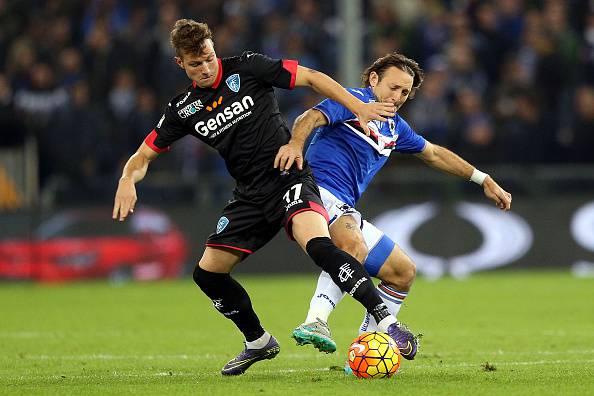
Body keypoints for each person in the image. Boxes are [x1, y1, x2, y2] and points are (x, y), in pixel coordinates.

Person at [112, 19, 413, 376]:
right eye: (196, 64)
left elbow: (313, 78)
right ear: (181, 64)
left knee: (318, 244)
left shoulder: (249, 67)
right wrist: (127, 178)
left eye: (208, 57)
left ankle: (385, 320)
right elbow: (144, 155)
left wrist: (358, 107)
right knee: (208, 275)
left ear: (213, 48)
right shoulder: (183, 109)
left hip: (288, 175)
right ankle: (257, 340)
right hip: (250, 196)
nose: (206, 68)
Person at [274, 52, 512, 362]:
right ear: (374, 79)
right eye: (393, 87)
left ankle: (366, 350)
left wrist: (483, 179)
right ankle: (315, 320)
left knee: (402, 272)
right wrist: (295, 145)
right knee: (353, 246)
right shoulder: (352, 101)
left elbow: (435, 154)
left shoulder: (395, 127)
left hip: (343, 205)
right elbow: (309, 118)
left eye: (404, 92)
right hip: (316, 192)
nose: (398, 97)